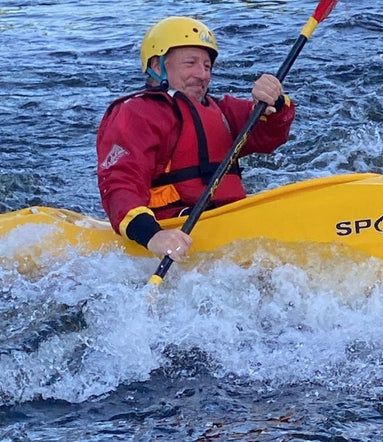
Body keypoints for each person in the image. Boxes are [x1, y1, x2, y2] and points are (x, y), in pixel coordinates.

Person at [96, 16, 295, 262]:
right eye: (190, 63)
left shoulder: (222, 110)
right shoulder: (137, 113)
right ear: (157, 66)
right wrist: (153, 236)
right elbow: (120, 181)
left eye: (207, 66)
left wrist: (273, 101)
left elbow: (270, 135)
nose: (202, 74)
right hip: (173, 226)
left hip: (227, 217)